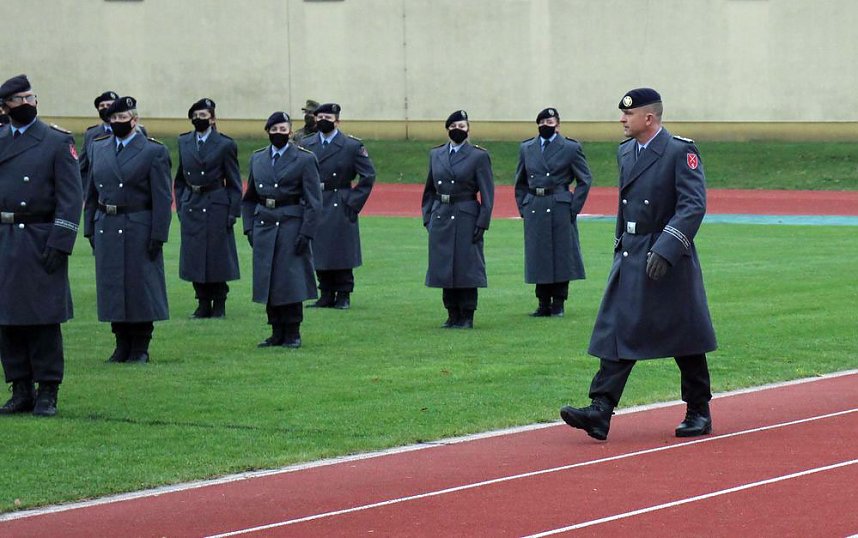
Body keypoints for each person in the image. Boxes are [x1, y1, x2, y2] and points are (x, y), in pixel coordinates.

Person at [560, 88, 717, 440]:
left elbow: (693, 205)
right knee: (618, 327)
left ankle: (698, 410)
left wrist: (667, 248)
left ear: (649, 118)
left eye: (628, 115)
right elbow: (626, 205)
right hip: (632, 253)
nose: (621, 119)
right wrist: (620, 244)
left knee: (684, 334)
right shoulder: (626, 151)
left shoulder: (680, 151)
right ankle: (600, 410)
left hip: (667, 255)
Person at [0, 74, 83, 416]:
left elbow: (71, 196)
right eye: (18, 101)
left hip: (39, 237)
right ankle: (20, 387)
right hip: (5, 240)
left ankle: (48, 389)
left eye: (30, 98)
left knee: (43, 319)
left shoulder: (55, 141)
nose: (27, 104)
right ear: (5, 108)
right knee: (7, 319)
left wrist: (60, 240)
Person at [83, 96, 172, 364]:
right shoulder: (99, 147)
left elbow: (161, 198)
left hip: (138, 225)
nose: (118, 123)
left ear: (135, 120)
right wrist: (89, 227)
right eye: (114, 119)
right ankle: (120, 343)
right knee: (113, 288)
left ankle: (140, 346)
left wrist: (158, 235)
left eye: (123, 118)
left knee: (140, 287)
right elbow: (92, 191)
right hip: (107, 225)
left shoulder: (153, 151)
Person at [241, 112, 321, 348]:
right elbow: (249, 198)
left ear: (290, 131)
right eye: (274, 130)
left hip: (291, 224)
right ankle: (276, 331)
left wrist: (306, 232)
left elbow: (314, 201)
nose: (279, 134)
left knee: (290, 280)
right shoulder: (258, 159)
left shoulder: (304, 159)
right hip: (264, 224)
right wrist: (248, 228)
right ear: (268, 132)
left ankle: (293, 332)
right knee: (269, 279)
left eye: (283, 129)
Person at [514, 107, 592, 317]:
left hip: (559, 206)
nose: (545, 125)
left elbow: (585, 179)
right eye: (542, 122)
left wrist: (573, 207)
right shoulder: (527, 148)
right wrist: (524, 206)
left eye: (550, 122)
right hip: (535, 206)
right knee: (538, 256)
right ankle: (542, 303)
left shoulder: (570, 148)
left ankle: (558, 303)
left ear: (558, 124)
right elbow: (520, 182)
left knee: (561, 256)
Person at [421, 110, 494, 329]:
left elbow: (487, 193)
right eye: (454, 127)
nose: (458, 130)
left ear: (468, 129)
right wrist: (428, 217)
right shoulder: (436, 154)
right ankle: (452, 313)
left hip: (466, 214)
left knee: (466, 267)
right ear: (447, 129)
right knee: (444, 266)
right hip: (441, 214)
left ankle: (467, 315)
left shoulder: (478, 156)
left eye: (462, 126)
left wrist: (482, 221)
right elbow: (429, 189)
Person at [301, 103, 376, 309]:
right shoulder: (307, 144)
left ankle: (343, 293)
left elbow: (368, 175)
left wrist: (352, 202)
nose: (324, 120)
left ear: (337, 120)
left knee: (341, 250)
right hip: (315, 199)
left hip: (340, 200)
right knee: (319, 249)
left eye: (329, 117)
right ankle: (325, 293)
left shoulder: (352, 146)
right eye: (320, 117)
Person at [174, 98, 242, 318]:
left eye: (203, 115)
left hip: (216, 203)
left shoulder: (225, 144)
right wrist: (182, 202)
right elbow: (180, 178)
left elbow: (234, 182)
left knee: (217, 256)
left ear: (212, 119)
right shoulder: (184, 141)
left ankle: (219, 302)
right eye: (195, 115)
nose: (198, 119)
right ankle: (202, 302)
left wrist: (232, 212)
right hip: (192, 203)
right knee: (194, 256)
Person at [79, 91, 148, 192]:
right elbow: (84, 166)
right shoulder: (91, 134)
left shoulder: (138, 131)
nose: (105, 108)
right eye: (102, 105)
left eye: (109, 105)